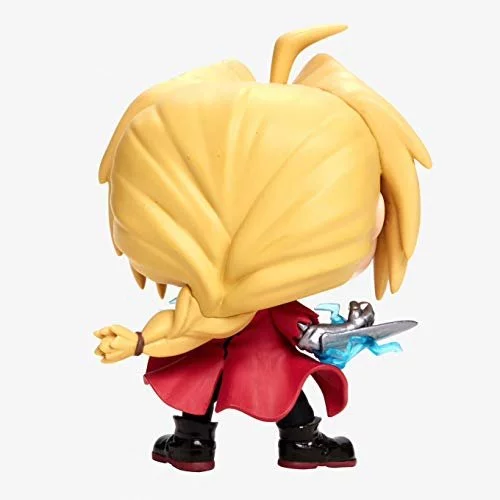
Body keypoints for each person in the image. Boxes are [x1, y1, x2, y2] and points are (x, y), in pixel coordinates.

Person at [94, 25, 431, 472]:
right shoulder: (218, 305)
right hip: (259, 357)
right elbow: (288, 329)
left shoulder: (199, 308)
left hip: (211, 350)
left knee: (208, 386)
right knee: (280, 388)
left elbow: (181, 326)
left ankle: (194, 441)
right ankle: (294, 441)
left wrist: (138, 342)